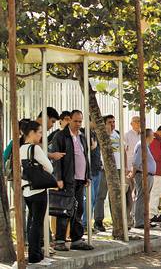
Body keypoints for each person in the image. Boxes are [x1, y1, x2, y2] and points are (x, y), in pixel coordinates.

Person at [50, 110, 93, 251]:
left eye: (80, 121)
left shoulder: (82, 136)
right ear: (69, 121)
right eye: (76, 121)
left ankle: (76, 239)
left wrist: (87, 175)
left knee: (78, 209)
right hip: (67, 179)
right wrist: (58, 178)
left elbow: (86, 157)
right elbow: (57, 160)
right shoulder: (60, 136)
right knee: (65, 210)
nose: (78, 124)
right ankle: (60, 240)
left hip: (80, 179)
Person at [21, 121, 56, 264]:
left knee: (31, 223)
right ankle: (35, 256)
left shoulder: (21, 149)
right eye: (40, 132)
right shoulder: (35, 149)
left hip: (26, 189)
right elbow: (49, 168)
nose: (41, 135)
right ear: (31, 133)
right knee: (37, 223)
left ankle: (34, 253)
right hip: (39, 189)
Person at [94, 115, 122, 232]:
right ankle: (98, 220)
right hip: (104, 169)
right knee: (101, 195)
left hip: (118, 169)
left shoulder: (118, 134)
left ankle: (117, 221)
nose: (112, 124)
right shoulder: (101, 136)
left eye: (114, 122)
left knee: (115, 196)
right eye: (110, 122)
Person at [133, 129, 157, 228]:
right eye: (152, 135)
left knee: (145, 198)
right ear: (148, 136)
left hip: (147, 175)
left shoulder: (145, 146)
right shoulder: (141, 145)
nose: (153, 138)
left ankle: (144, 219)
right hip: (144, 175)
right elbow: (136, 162)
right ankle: (139, 221)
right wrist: (136, 174)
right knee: (142, 197)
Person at [83, 122, 102, 230]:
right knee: (89, 199)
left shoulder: (95, 134)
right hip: (89, 171)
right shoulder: (83, 133)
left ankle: (87, 222)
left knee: (93, 199)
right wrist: (92, 147)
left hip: (97, 169)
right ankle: (85, 224)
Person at [123, 116, 141, 224]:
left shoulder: (142, 135)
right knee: (129, 194)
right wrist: (126, 167)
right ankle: (128, 219)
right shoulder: (127, 135)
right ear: (131, 123)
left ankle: (136, 217)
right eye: (137, 122)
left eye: (140, 121)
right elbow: (124, 152)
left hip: (140, 169)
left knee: (138, 194)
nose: (139, 123)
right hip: (130, 168)